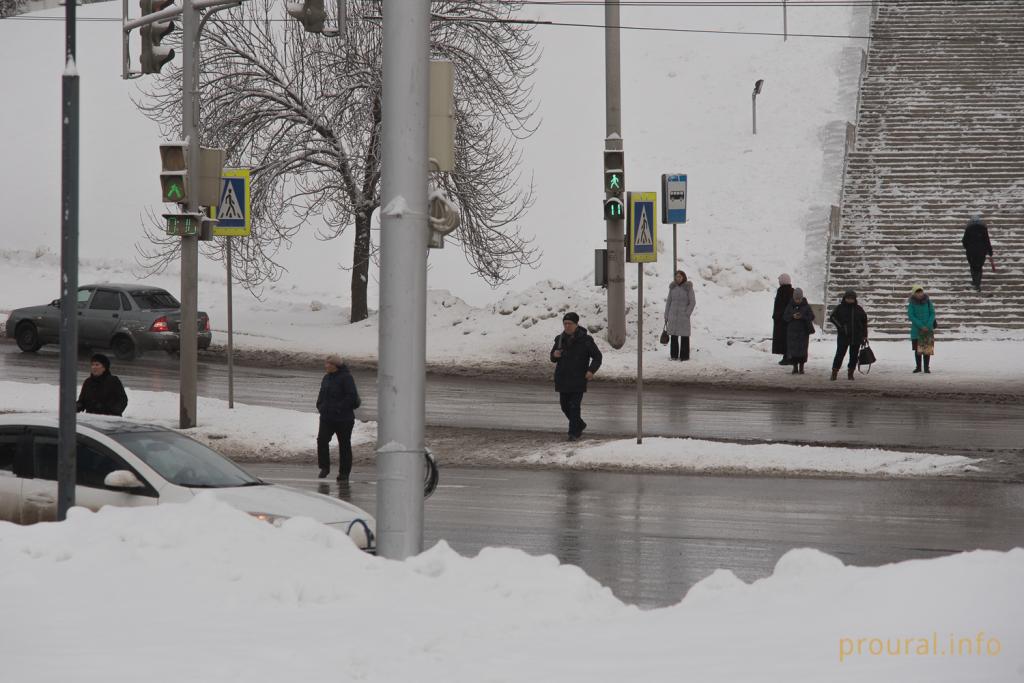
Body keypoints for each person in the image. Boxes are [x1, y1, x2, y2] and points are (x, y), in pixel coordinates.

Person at [550, 312, 602, 441]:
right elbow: (553, 357)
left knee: (574, 407)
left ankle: (573, 433)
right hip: (562, 378)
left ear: (576, 324)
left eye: (570, 323)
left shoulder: (586, 340)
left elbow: (597, 357)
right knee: (564, 406)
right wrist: (554, 355)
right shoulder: (560, 339)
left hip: (578, 378)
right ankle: (579, 424)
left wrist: (591, 371)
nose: (567, 326)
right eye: (565, 323)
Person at [315, 353, 359, 482]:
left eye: (328, 363)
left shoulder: (346, 378)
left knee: (344, 445)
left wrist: (338, 408)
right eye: (326, 363)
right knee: (322, 441)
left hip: (344, 419)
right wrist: (320, 405)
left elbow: (351, 396)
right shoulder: (326, 378)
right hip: (327, 418)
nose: (326, 366)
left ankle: (344, 473)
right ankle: (324, 467)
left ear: (335, 365)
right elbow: (321, 394)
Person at [828, 290, 869, 381]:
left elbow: (864, 323)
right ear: (845, 298)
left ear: (854, 299)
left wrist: (864, 335)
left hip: (856, 337)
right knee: (840, 354)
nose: (850, 300)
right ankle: (834, 372)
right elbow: (832, 317)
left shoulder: (859, 309)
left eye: (852, 298)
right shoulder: (840, 308)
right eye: (848, 298)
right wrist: (841, 327)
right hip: (843, 336)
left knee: (854, 356)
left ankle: (851, 373)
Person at [664, 270, 696, 361]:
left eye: (679, 277)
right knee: (673, 336)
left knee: (684, 336)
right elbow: (669, 302)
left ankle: (684, 356)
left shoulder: (688, 287)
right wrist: (666, 314)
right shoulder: (672, 287)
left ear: (683, 277)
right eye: (676, 277)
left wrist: (687, 313)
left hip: (683, 316)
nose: (678, 278)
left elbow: (692, 302)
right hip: (673, 316)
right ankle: (673, 355)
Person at [782, 288, 815, 375]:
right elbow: (785, 317)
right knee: (793, 350)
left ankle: (801, 367)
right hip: (792, 332)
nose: (797, 301)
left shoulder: (806, 306)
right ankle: (795, 367)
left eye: (799, 299)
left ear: (801, 298)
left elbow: (812, 316)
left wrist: (802, 316)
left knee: (802, 350)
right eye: (796, 299)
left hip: (803, 332)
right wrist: (792, 316)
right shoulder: (790, 306)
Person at [907, 285, 936, 374]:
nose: (920, 294)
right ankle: (918, 367)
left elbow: (932, 313)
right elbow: (911, 315)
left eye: (921, 292)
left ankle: (926, 367)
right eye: (917, 292)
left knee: (927, 349)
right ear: (914, 294)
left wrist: (928, 325)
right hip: (917, 329)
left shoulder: (928, 301)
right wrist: (921, 326)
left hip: (928, 328)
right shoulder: (912, 303)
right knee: (917, 349)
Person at [962, 212, 993, 291]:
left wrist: (968, 248)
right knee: (979, 267)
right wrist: (989, 251)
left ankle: (975, 281)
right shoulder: (983, 228)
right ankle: (978, 283)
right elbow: (987, 240)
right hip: (981, 251)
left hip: (971, 251)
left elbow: (964, 241)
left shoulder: (968, 229)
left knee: (973, 266)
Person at [772, 273, 794, 364]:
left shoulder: (782, 291)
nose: (779, 282)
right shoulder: (792, 291)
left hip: (781, 320)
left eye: (780, 280)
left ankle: (786, 357)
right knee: (788, 339)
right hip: (789, 320)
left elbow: (780, 306)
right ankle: (789, 357)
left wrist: (777, 316)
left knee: (783, 339)